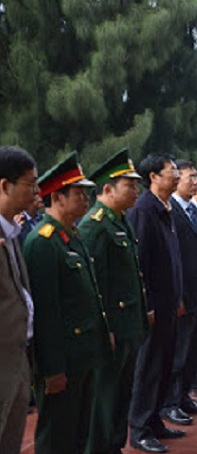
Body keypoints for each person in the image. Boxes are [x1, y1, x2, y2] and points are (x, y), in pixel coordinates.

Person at [23, 152, 113, 454]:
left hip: (83, 356)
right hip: (64, 361)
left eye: (87, 193)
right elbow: (46, 313)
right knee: (56, 438)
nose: (87, 199)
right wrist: (52, 369)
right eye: (79, 194)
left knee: (78, 434)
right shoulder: (43, 242)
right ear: (57, 198)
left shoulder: (70, 236)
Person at [77, 149, 149, 454]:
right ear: (107, 189)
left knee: (122, 394)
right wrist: (104, 330)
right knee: (105, 399)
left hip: (129, 325)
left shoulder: (121, 222)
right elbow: (95, 287)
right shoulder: (95, 226)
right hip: (112, 330)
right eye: (129, 186)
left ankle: (114, 446)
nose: (136, 191)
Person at [127, 154, 184, 453]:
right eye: (171, 172)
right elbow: (141, 264)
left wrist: (177, 298)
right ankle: (139, 428)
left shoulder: (166, 208)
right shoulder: (144, 211)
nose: (176, 176)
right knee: (148, 367)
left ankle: (155, 419)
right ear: (153, 177)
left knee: (165, 364)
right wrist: (147, 305)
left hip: (168, 304)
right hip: (153, 308)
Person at [162, 163, 197, 428]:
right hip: (183, 294)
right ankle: (170, 403)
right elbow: (175, 259)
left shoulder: (190, 211)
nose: (194, 182)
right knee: (178, 353)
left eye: (196, 177)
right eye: (189, 177)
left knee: (191, 350)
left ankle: (183, 397)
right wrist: (179, 295)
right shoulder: (172, 211)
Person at [0, 146, 37, 453]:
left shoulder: (12, 233)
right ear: (4, 185)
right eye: (29, 184)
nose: (36, 192)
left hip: (17, 361)